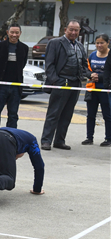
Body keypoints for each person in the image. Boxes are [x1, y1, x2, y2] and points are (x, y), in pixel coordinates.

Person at [40, 20, 91, 150]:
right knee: (54, 113)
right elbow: (49, 64)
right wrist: (56, 81)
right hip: (61, 82)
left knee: (67, 114)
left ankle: (59, 140)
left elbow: (84, 65)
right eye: (71, 29)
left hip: (75, 83)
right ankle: (46, 140)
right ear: (65, 29)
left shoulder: (79, 46)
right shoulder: (55, 43)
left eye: (76, 30)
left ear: (79, 31)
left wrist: (90, 75)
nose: (73, 32)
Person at [0, 24, 29, 132]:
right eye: (12, 32)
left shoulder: (24, 48)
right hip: (0, 85)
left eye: (16, 33)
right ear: (7, 33)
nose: (14, 35)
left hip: (16, 86)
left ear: (20, 33)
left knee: (13, 114)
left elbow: (22, 65)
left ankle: (10, 134)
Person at [83, 34, 111, 147]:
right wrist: (91, 75)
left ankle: (108, 138)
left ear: (108, 42)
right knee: (90, 115)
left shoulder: (110, 55)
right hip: (92, 89)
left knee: (107, 115)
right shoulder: (93, 55)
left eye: (102, 43)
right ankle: (89, 138)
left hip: (105, 90)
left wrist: (100, 77)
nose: (99, 45)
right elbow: (86, 69)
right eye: (97, 43)